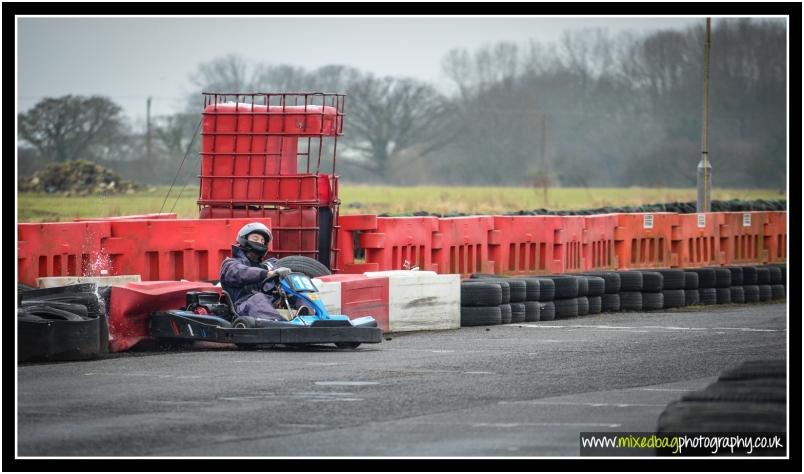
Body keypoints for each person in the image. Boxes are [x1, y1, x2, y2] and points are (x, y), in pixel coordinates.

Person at [220, 222, 290, 321]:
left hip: (270, 304)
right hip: (243, 306)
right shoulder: (231, 264)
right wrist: (266, 274)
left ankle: (310, 318)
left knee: (298, 295)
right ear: (244, 239)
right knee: (258, 298)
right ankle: (281, 326)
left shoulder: (269, 265)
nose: (260, 242)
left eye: (262, 241)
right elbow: (241, 273)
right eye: (255, 239)